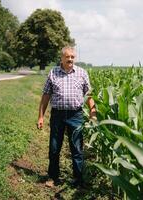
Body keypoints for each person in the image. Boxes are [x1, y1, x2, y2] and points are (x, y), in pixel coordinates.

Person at [37, 46, 96, 188]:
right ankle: (53, 177)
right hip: (57, 115)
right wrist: (41, 117)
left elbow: (89, 96)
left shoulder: (82, 73)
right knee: (54, 147)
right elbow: (46, 96)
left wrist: (93, 113)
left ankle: (78, 179)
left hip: (76, 115)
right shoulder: (53, 73)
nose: (70, 59)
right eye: (67, 57)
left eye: (72, 57)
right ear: (61, 58)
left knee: (76, 148)